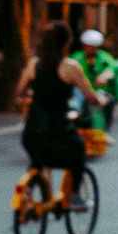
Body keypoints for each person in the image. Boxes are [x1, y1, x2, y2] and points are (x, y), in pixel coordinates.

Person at [16, 21, 107, 210]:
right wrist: (101, 101)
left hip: (31, 133)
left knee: (38, 158)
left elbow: (20, 91)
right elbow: (90, 97)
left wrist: (31, 95)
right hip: (58, 134)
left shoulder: (34, 64)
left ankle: (30, 191)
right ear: (66, 43)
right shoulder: (70, 67)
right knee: (78, 151)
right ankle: (74, 196)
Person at [70, 29, 118, 133]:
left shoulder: (105, 57)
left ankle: (104, 131)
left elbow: (110, 71)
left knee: (110, 102)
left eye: (93, 46)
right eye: (87, 46)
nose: (90, 49)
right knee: (76, 107)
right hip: (80, 92)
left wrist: (104, 77)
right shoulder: (77, 57)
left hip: (100, 92)